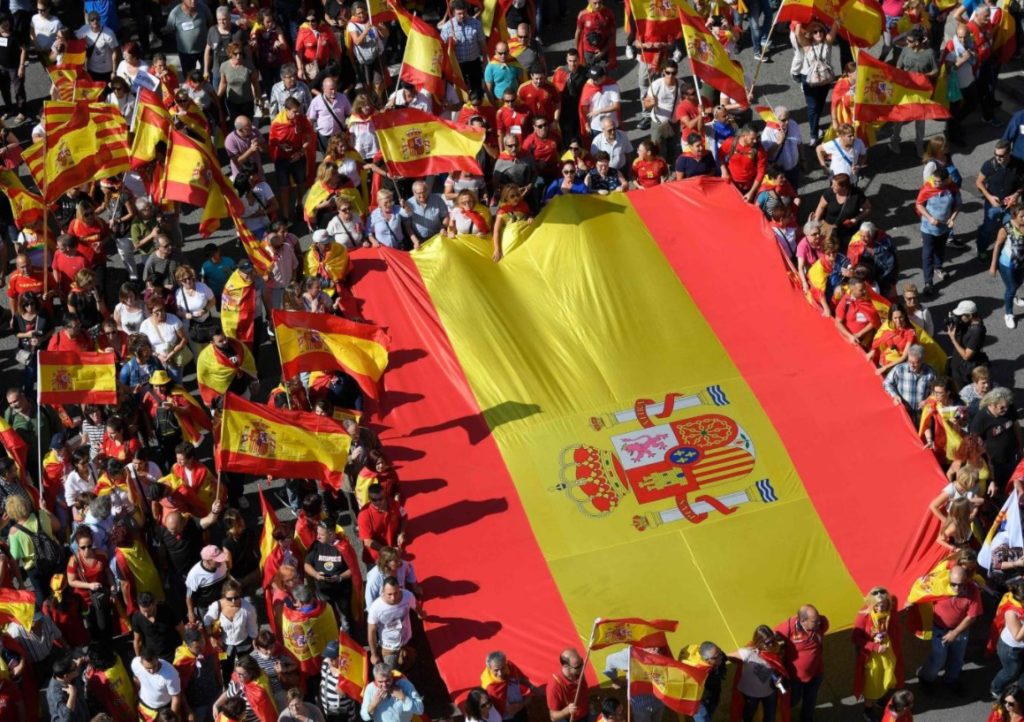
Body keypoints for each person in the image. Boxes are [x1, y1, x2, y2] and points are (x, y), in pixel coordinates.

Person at [915, 564, 981, 693]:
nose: (957, 588)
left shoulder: (973, 590)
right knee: (938, 659)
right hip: (939, 629)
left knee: (958, 658)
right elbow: (920, 592)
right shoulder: (938, 585)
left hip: (960, 631)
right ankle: (926, 678)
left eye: (961, 584)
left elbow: (972, 616)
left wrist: (955, 633)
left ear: (967, 580)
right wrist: (911, 602)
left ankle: (950, 680)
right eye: (953, 584)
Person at [853, 587, 903, 721]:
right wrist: (874, 646)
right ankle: (868, 710)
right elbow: (855, 638)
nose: (881, 608)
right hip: (872, 657)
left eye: (884, 604)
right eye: (877, 605)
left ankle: (881, 699)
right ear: (871, 604)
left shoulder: (890, 613)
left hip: (887, 653)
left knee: (886, 677)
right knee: (871, 684)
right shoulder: (864, 616)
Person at [775, 606, 828, 722]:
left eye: (818, 619)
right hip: (795, 678)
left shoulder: (822, 623)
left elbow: (823, 625)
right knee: (793, 700)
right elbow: (771, 637)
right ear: (803, 621)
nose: (819, 623)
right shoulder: (788, 627)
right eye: (815, 621)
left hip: (816, 673)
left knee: (810, 701)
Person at [915, 166, 960, 294]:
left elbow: (957, 205)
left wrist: (952, 218)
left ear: (946, 180)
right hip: (928, 228)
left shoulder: (952, 189)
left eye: (938, 182)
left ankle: (938, 267)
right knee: (927, 253)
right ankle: (928, 281)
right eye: (934, 181)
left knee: (940, 249)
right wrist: (929, 218)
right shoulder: (928, 189)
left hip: (944, 228)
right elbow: (919, 204)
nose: (935, 184)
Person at [977, 140, 1023, 259]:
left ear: (1009, 153)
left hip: (1011, 206)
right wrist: (989, 197)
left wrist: (1016, 195)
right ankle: (981, 250)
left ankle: (1006, 253)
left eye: (1001, 156)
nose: (998, 158)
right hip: (993, 205)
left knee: (1012, 230)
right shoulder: (989, 165)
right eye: (996, 154)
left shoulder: (1019, 165)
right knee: (987, 230)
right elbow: (979, 182)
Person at [972, 387, 1023, 490]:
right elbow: (976, 441)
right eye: (1002, 407)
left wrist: (1020, 446)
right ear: (992, 404)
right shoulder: (980, 418)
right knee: (998, 486)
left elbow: (1016, 426)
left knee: (1013, 482)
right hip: (995, 463)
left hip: (1012, 456)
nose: (1006, 410)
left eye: (1007, 406)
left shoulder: (1009, 408)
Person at [367, 578, 416, 667]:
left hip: (406, 641)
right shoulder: (376, 607)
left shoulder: (407, 596)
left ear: (399, 589)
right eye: (389, 594)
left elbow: (416, 606)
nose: (393, 598)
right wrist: (373, 654)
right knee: (391, 673)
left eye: (396, 593)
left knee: (408, 665)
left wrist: (422, 614)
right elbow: (371, 631)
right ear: (383, 591)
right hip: (388, 648)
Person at [991, 202, 1024, 329]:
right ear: (1014, 216)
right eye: (1022, 216)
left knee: (1018, 283)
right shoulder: (1006, 228)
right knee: (1011, 288)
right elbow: (997, 246)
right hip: (1007, 265)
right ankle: (1009, 314)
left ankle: (1014, 298)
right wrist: (993, 266)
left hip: (1021, 263)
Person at [882, 345, 936, 422]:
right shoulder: (899, 369)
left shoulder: (931, 373)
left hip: (922, 412)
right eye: (910, 361)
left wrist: (927, 401)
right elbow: (887, 383)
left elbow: (936, 391)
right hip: (904, 412)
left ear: (922, 361)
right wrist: (895, 395)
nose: (912, 365)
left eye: (915, 363)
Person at [359, 663, 424, 722]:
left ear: (392, 676)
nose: (384, 685)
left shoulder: (404, 684)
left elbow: (420, 710)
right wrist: (373, 705)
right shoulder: (370, 688)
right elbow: (364, 717)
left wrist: (403, 698)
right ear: (375, 679)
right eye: (380, 682)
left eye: (387, 680)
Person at [132, 647, 184, 719]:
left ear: (157, 658)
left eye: (154, 666)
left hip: (163, 711)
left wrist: (171, 718)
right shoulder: (135, 663)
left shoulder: (171, 674)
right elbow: (136, 678)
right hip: (144, 708)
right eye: (148, 668)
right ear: (141, 662)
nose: (152, 671)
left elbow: (176, 697)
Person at [992, 581, 1024, 698]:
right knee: (1011, 673)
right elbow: (1018, 637)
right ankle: (996, 689)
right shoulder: (1012, 612)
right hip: (1012, 649)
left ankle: (1019, 694)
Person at [946, 299, 988, 388]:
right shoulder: (970, 322)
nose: (960, 318)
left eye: (962, 315)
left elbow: (966, 356)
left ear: (970, 316)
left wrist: (953, 338)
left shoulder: (977, 331)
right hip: (957, 363)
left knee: (960, 390)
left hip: (963, 370)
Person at [719, 126, 766, 202]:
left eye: (756, 138)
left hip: (748, 187)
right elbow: (720, 155)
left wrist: (751, 192)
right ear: (744, 135)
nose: (755, 141)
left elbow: (761, 172)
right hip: (731, 183)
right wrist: (723, 171)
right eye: (752, 138)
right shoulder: (730, 142)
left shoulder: (759, 151)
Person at [166, 0, 212, 74]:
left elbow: (210, 23)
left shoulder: (203, 7)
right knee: (189, 77)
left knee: (207, 75)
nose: (193, 1)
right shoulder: (175, 13)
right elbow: (170, 29)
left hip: (204, 50)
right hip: (185, 53)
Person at [546, 649, 589, 722]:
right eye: (578, 666)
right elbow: (553, 716)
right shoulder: (555, 686)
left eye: (582, 661)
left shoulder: (578, 673)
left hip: (586, 714)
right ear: (566, 666)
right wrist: (566, 711)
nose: (582, 666)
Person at [47, 654, 89, 722]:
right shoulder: (55, 694)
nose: (77, 664)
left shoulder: (66, 676)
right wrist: (72, 695)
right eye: (75, 667)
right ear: (66, 676)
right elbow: (66, 719)